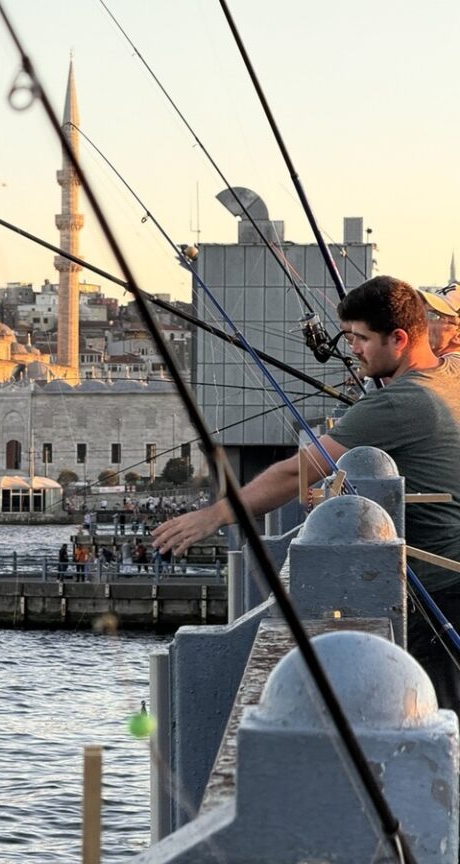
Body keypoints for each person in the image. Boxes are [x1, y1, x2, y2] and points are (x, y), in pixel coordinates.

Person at [154, 275, 460, 712]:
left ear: (399, 338)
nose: (353, 349)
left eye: (361, 339)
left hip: (439, 596)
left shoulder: (399, 404)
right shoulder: (450, 372)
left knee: (436, 718)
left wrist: (215, 515)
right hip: (450, 578)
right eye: (347, 337)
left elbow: (295, 472)